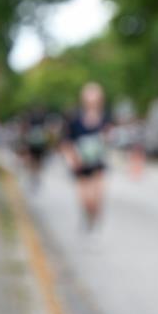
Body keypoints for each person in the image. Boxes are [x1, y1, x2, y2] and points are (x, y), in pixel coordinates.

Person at [61, 82, 111, 232]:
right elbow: (66, 142)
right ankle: (87, 219)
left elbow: (109, 138)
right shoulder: (75, 119)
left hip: (97, 164)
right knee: (85, 200)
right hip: (80, 165)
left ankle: (95, 225)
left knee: (96, 199)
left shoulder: (105, 118)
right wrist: (71, 158)